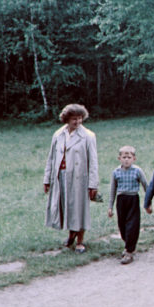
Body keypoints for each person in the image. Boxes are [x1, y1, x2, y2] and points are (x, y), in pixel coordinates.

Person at [43, 104, 99, 254]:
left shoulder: (88, 136)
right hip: (60, 176)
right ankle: (70, 235)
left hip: (80, 178)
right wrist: (47, 179)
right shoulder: (58, 134)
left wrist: (93, 184)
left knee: (79, 209)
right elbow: (51, 158)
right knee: (65, 208)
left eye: (80, 118)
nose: (77, 122)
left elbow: (93, 162)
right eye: (74, 119)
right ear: (67, 119)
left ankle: (80, 241)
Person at [108, 145, 148, 264]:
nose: (126, 159)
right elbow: (112, 190)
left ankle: (129, 251)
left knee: (132, 225)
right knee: (122, 225)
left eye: (129, 157)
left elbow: (146, 186)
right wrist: (110, 206)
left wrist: (149, 202)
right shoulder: (116, 172)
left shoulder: (137, 171)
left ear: (134, 158)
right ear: (119, 158)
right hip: (121, 200)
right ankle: (129, 245)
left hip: (133, 199)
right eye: (124, 157)